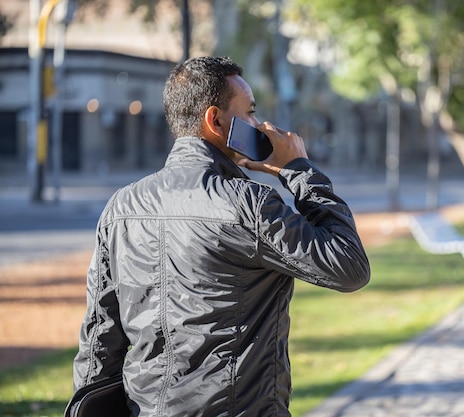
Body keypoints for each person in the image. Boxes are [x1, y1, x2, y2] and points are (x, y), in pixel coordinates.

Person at [73, 56, 370, 417]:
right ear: (215, 120)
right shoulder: (250, 204)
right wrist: (299, 170)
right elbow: (349, 265)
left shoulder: (121, 207)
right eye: (249, 113)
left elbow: (99, 335)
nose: (259, 126)